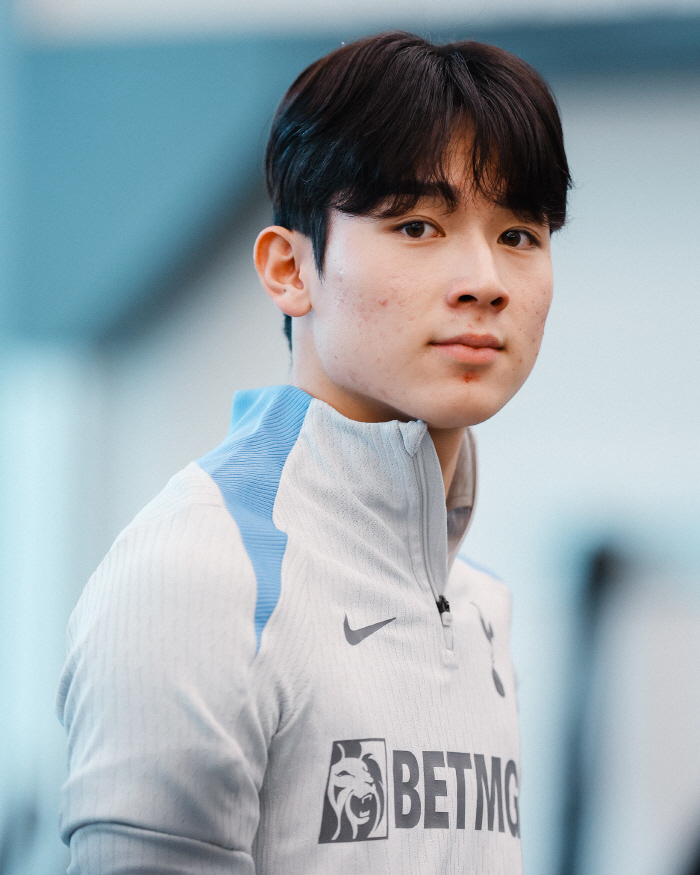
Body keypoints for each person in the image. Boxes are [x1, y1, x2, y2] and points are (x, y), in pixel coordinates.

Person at [56, 31, 570, 874]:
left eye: (520, 234)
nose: (486, 278)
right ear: (291, 270)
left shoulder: (480, 606)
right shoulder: (197, 574)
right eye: (416, 224)